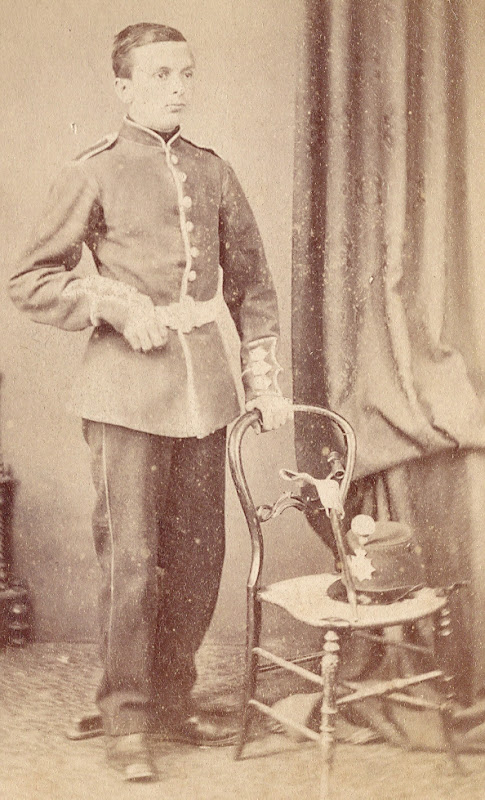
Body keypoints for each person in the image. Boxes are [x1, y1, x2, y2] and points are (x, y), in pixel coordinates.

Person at [8, 22, 290, 782]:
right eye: (161, 74)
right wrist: (108, 301)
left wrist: (262, 379)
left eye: (185, 73)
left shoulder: (212, 169)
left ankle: (171, 702)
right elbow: (30, 279)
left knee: (198, 559)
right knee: (132, 562)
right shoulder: (93, 170)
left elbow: (253, 285)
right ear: (123, 87)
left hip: (205, 393)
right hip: (125, 393)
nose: (178, 87)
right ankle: (126, 718)